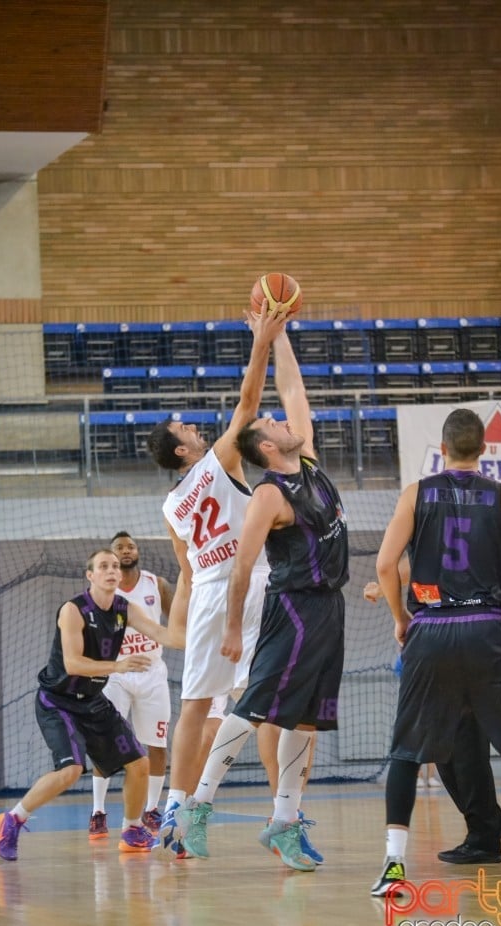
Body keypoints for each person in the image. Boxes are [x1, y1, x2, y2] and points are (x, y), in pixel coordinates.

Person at [174, 321, 348, 872]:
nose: (281, 416)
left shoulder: (311, 465)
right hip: (292, 609)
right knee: (250, 710)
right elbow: (243, 565)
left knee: (303, 722)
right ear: (268, 447)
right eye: (274, 421)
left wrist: (281, 335)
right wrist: (230, 628)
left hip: (329, 608)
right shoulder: (269, 493)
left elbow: (293, 390)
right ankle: (197, 806)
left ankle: (284, 821)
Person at [371, 408, 501, 896]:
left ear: (443, 449)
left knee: (413, 747)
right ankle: (485, 832)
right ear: (484, 450)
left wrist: (400, 618)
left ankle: (395, 862)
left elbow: (386, 564)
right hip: (489, 629)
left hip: (432, 631)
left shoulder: (417, 493)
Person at [146, 300, 287, 857]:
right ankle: (282, 814)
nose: (192, 425)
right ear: (183, 449)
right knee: (269, 703)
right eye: (184, 426)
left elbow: (184, 569)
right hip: (247, 584)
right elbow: (249, 402)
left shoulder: (170, 505)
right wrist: (262, 341)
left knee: (195, 707)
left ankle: (175, 809)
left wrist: (180, 621)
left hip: (206, 591)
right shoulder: (218, 461)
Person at [0, 548, 182, 862]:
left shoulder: (125, 608)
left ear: (120, 577)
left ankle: (132, 829)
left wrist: (206, 637)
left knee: (139, 764)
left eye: (114, 567)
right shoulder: (73, 610)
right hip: (58, 702)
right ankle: (12, 819)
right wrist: (118, 667)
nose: (111, 570)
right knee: (70, 771)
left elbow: (163, 633)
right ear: (90, 576)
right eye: (103, 566)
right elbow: (73, 663)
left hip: (93, 701)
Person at [365, 563, 501, 863]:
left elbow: (398, 564)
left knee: (463, 741)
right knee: (452, 744)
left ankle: (486, 830)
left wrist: (386, 590)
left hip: (454, 635)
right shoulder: (476, 521)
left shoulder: (429, 520)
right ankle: (487, 823)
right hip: (472, 635)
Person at [89, 531, 175, 839]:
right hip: (117, 674)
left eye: (131, 546)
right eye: (119, 548)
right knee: (106, 741)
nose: (126, 551)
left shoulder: (156, 584)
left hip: (152, 672)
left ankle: (151, 808)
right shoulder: (102, 591)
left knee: (157, 744)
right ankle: (98, 811)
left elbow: (177, 621)